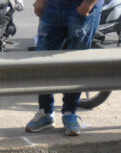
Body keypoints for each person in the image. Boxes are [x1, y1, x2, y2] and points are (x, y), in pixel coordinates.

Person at [23, 0, 102, 136]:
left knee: (75, 63)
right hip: (53, 8)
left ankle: (69, 112)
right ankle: (45, 113)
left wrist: (87, 5)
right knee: (43, 61)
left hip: (82, 9)